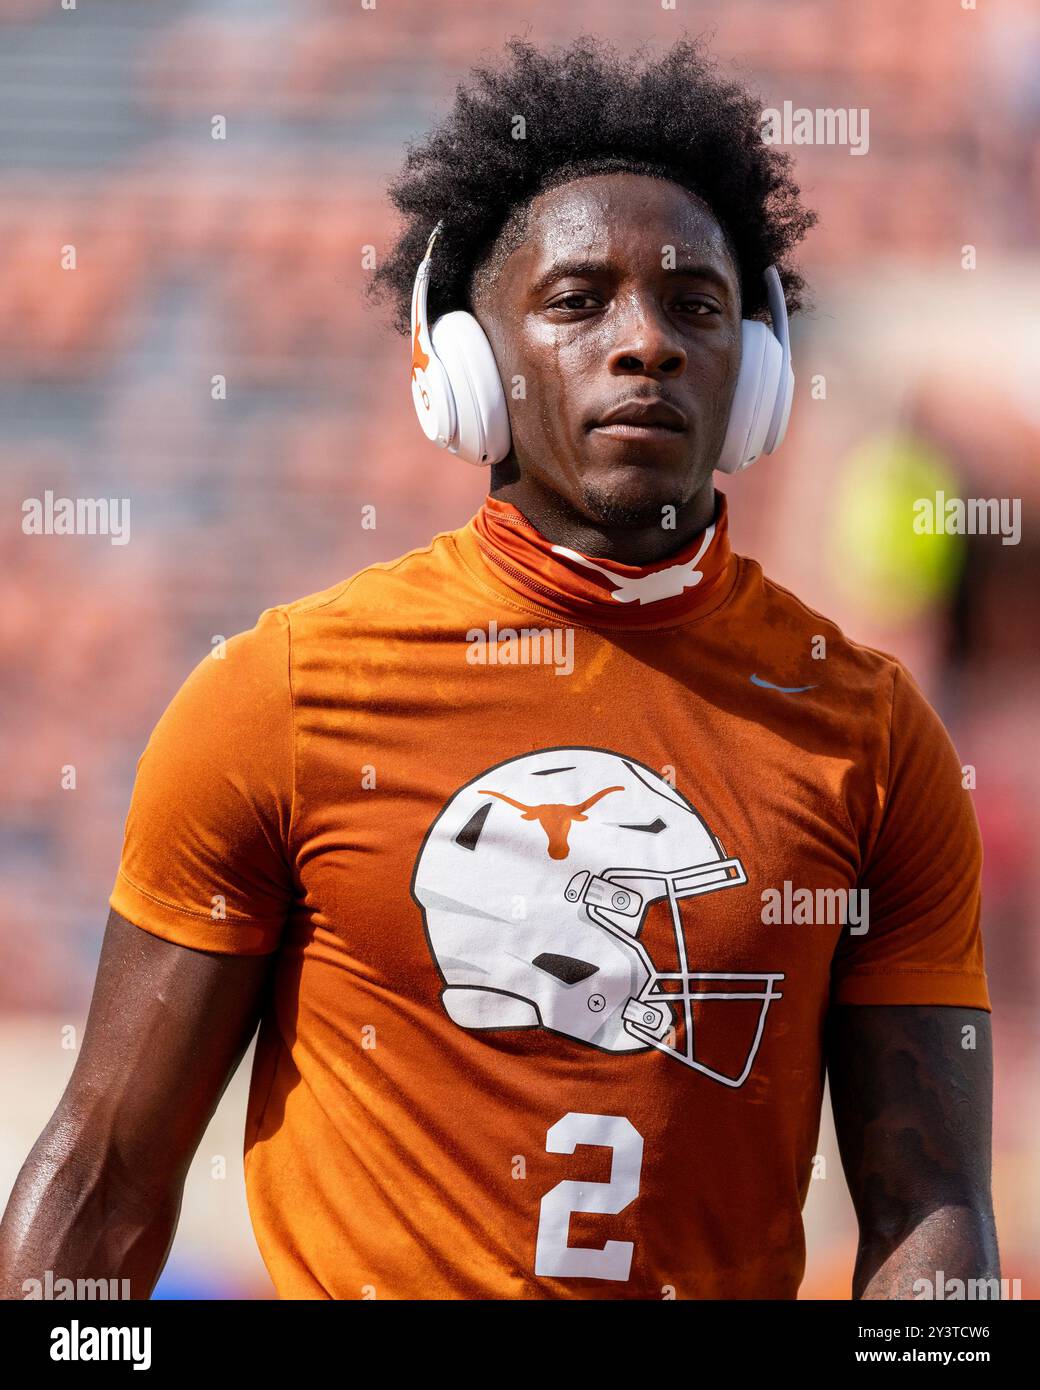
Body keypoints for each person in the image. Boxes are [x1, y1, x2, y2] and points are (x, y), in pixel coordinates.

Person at [0, 35, 997, 1301]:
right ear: (465, 367)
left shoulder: (871, 733)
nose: (647, 344)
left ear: (760, 374)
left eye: (695, 305)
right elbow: (103, 1189)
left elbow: (929, 1209)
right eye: (578, 300)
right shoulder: (282, 698)